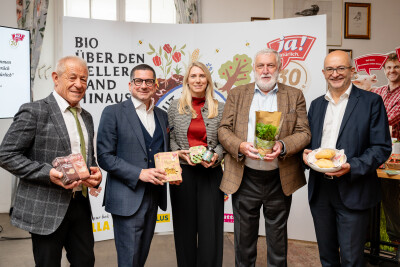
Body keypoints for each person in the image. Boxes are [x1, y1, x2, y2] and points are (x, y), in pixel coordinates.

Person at [0, 56, 102, 267]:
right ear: (56, 78)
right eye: (72, 77)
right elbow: (6, 154)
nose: (79, 84)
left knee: (86, 261)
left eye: (84, 79)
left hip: (80, 205)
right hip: (46, 207)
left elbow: (87, 158)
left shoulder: (87, 117)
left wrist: (96, 175)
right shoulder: (35, 111)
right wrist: (47, 173)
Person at [218, 48, 311, 266]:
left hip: (279, 179)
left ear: (279, 68)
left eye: (271, 65)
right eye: (261, 65)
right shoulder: (237, 93)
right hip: (245, 176)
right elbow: (223, 129)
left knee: (278, 243)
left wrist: (283, 145)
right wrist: (240, 145)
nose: (266, 70)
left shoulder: (294, 94)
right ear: (254, 68)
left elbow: (305, 132)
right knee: (244, 242)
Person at [303, 50, 392, 267]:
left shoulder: (372, 102)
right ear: (324, 73)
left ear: (352, 71)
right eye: (331, 69)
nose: (336, 74)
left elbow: (381, 147)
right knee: (327, 257)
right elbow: (309, 145)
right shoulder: (316, 105)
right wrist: (304, 153)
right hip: (321, 191)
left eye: (341, 68)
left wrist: (352, 166)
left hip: (354, 188)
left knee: (352, 260)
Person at [96, 64, 169, 267]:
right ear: (130, 84)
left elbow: (161, 152)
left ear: (155, 86)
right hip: (126, 198)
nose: (143, 85)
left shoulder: (162, 116)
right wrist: (139, 173)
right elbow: (104, 157)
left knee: (141, 256)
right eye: (139, 81)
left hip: (154, 196)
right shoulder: (113, 112)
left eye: (148, 81)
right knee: (128, 260)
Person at [167, 61, 225, 267]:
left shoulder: (220, 107)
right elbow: (171, 138)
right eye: (193, 76)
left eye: (202, 76)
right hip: (183, 175)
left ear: (208, 80)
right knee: (184, 230)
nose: (198, 80)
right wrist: (179, 154)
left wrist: (217, 155)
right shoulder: (175, 106)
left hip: (211, 174)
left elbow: (225, 141)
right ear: (187, 81)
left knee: (211, 231)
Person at [370, 52, 400, 244]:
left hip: (395, 155)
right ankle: (370, 242)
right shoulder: (379, 91)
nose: (392, 71)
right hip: (374, 152)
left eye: (396, 67)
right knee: (371, 196)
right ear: (384, 70)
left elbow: (389, 119)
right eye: (389, 67)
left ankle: (395, 242)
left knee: (391, 197)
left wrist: (371, 121)